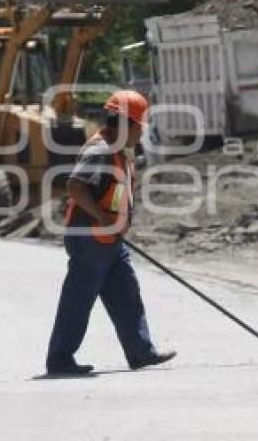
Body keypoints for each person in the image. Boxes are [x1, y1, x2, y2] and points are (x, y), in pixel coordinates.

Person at [46, 90, 176, 375]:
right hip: (90, 238)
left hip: (109, 241)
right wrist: (102, 217)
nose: (140, 134)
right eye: (139, 127)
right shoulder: (100, 150)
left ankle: (141, 352)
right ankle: (59, 359)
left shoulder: (115, 152)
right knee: (78, 300)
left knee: (127, 294)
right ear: (126, 124)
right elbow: (74, 187)